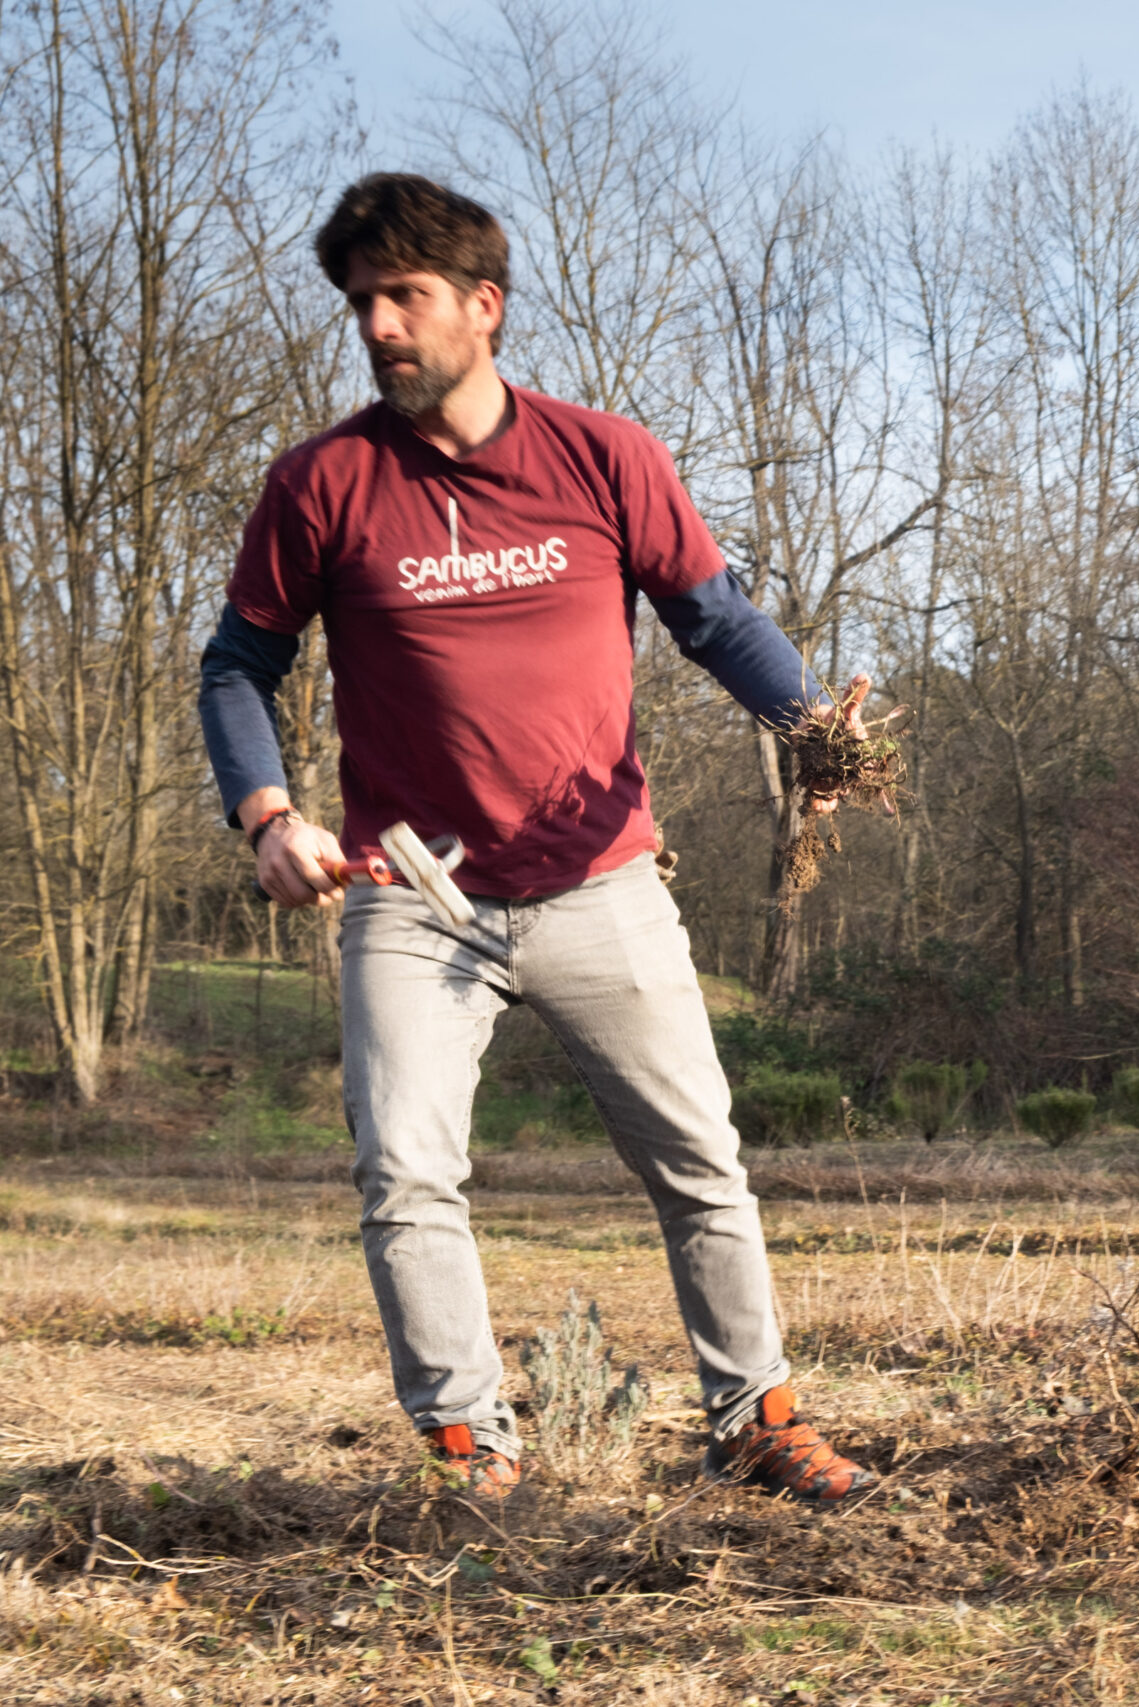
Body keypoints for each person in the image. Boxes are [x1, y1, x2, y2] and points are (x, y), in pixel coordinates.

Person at [197, 173, 872, 1506]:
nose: (380, 323)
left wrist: (812, 726)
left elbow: (715, 618)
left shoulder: (604, 457)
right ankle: (475, 1458)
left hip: (603, 883)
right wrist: (266, 813)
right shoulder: (322, 484)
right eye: (361, 302)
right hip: (413, 895)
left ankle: (755, 1425)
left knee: (702, 1166)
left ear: (483, 308)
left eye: (405, 296)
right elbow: (237, 667)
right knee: (406, 1176)